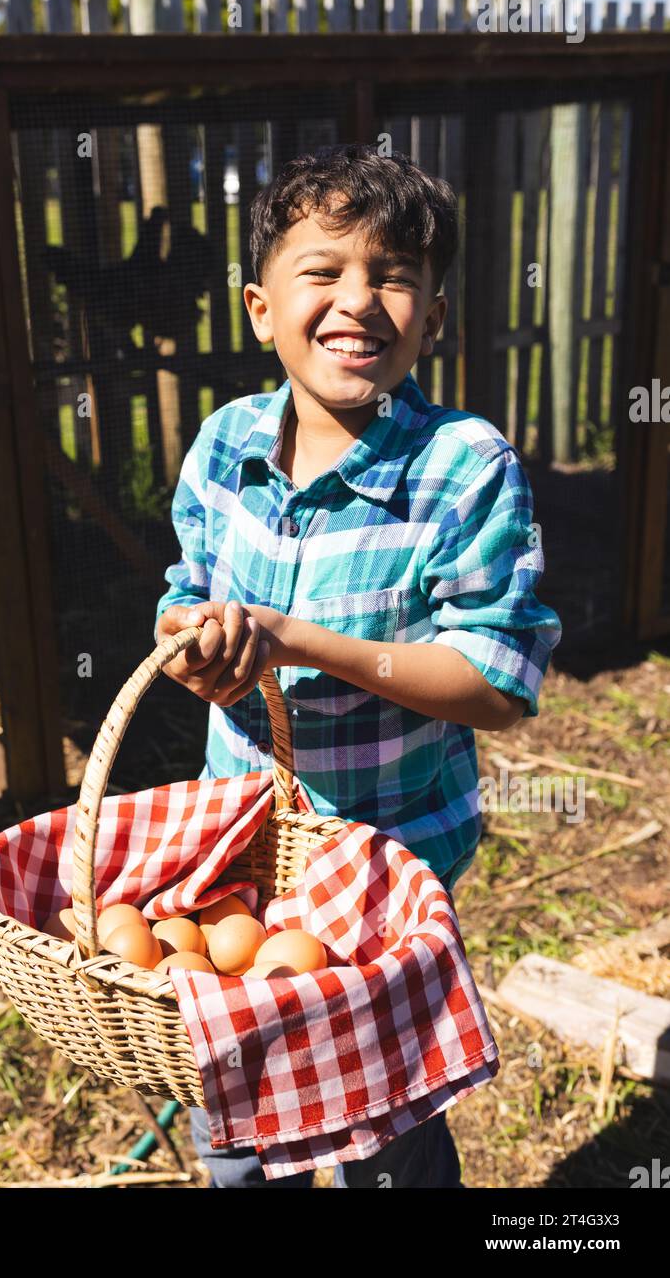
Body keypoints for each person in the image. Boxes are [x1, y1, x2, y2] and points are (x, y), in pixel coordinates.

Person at [154, 144, 562, 1188]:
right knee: (239, 1114)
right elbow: (186, 590)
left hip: (389, 862)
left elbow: (497, 681)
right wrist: (193, 645)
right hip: (242, 855)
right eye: (324, 270)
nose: (358, 300)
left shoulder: (464, 468)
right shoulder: (224, 449)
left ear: (432, 318)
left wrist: (294, 639)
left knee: (382, 1122)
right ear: (259, 306)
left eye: (394, 276)